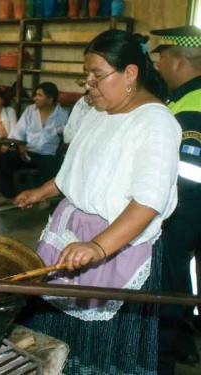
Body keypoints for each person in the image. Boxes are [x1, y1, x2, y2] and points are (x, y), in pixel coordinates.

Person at [14, 29, 181, 374]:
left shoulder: (156, 122)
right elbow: (76, 170)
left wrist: (99, 247)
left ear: (130, 73)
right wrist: (43, 192)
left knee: (98, 347)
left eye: (97, 75)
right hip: (71, 235)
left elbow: (148, 202)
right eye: (86, 73)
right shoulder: (99, 112)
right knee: (58, 332)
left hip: (116, 243)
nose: (88, 83)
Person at [151, 25, 201, 374]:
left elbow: (190, 172)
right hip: (190, 208)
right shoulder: (183, 97)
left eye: (162, 57)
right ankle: (185, 345)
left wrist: (157, 208)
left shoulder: (191, 105)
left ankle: (162, 361)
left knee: (169, 285)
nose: (158, 65)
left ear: (180, 60)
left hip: (184, 210)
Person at [0, 82, 69, 203]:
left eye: (39, 95)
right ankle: (8, 196)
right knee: (4, 158)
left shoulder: (62, 114)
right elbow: (18, 132)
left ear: (50, 99)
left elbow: (66, 135)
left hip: (47, 155)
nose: (35, 98)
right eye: (35, 95)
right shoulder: (30, 111)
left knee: (53, 165)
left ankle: (46, 199)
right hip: (26, 151)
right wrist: (18, 146)